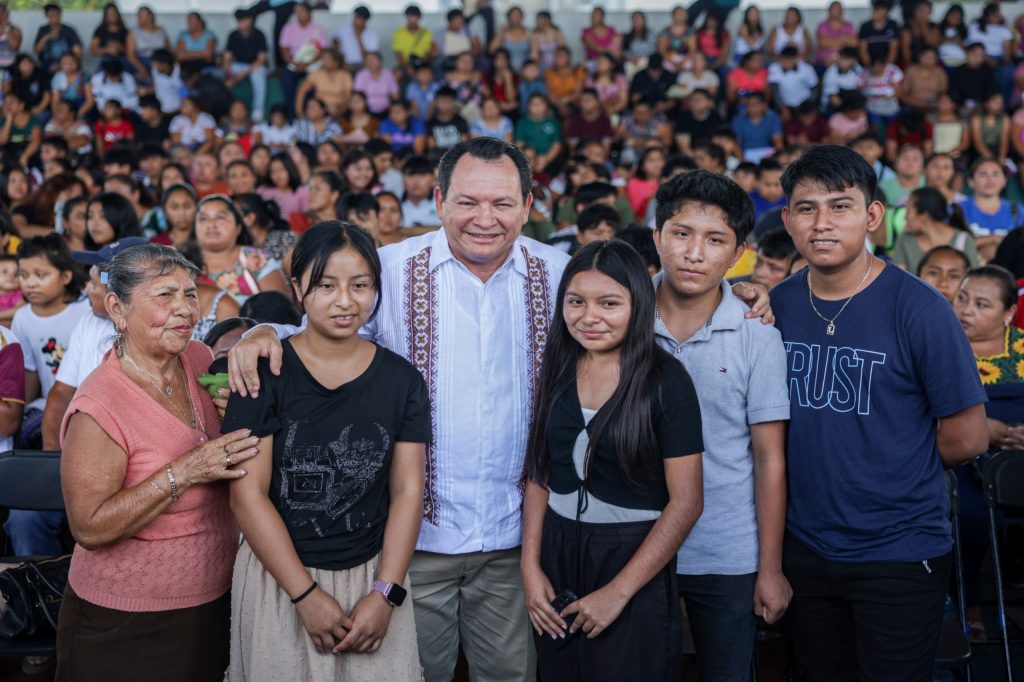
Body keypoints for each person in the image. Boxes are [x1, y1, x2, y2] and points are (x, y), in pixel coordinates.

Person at [771, 145, 988, 681]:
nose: (822, 223)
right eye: (807, 208)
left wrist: (892, 462)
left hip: (898, 549)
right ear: (788, 220)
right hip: (804, 544)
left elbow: (968, 437)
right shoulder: (777, 304)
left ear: (872, 215)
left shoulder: (921, 309)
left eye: (840, 206)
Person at [223, 221, 428, 680]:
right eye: (326, 285)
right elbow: (247, 496)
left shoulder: (402, 381)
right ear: (297, 288)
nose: (345, 301)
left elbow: (408, 491)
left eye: (360, 285)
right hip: (280, 578)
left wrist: (386, 593)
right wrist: (305, 595)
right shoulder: (264, 372)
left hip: (371, 577)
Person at [54, 244, 258, 681]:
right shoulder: (99, 407)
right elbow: (89, 526)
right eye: (165, 295)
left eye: (190, 294)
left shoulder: (198, 358)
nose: (185, 309)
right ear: (117, 308)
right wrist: (186, 469)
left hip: (213, 598)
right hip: (127, 618)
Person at [521, 238, 703, 680]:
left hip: (631, 557)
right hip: (556, 553)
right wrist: (529, 568)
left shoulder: (666, 380)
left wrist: (618, 592)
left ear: (637, 305)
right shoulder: (558, 366)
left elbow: (687, 503)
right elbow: (540, 473)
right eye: (576, 302)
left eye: (609, 303)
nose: (589, 317)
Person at [651, 170, 791, 682]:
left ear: (737, 254)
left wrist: (770, 567)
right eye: (681, 234)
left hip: (727, 549)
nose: (694, 253)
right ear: (657, 237)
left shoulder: (758, 335)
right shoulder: (622, 316)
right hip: (633, 543)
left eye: (715, 240)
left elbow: (769, 460)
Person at [41, 238, 145, 451]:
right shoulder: (89, 320)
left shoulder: (156, 330)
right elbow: (62, 392)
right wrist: (51, 458)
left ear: (116, 292)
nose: (87, 289)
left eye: (94, 283)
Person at [194, 195, 289, 303]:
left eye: (220, 217)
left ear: (238, 228)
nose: (211, 224)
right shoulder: (184, 262)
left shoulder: (258, 260)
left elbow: (280, 308)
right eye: (203, 218)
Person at [891, 187, 980, 272]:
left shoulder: (963, 240)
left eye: (908, 211)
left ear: (925, 216)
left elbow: (973, 279)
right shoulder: (905, 239)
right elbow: (898, 277)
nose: (905, 217)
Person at [959, 157, 1023, 262]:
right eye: (983, 174)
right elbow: (952, 242)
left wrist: (999, 248)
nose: (990, 179)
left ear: (1004, 180)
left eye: (996, 174)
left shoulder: (1018, 211)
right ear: (971, 181)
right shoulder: (958, 209)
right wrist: (994, 239)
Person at [224, 10, 269, 124]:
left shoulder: (259, 34)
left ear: (250, 21)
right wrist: (229, 74)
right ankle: (225, 111)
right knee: (221, 76)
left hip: (255, 67)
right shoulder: (233, 35)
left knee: (258, 75)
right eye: (239, 21)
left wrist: (244, 74)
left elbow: (261, 59)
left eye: (243, 20)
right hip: (239, 66)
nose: (240, 23)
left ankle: (258, 112)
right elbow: (227, 57)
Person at [34, 3, 81, 74]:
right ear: (46, 16)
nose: (54, 18)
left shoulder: (69, 31)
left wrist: (60, 65)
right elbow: (36, 50)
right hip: (46, 65)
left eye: (56, 15)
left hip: (65, 65)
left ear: (60, 15)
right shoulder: (43, 30)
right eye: (51, 16)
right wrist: (46, 37)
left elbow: (78, 52)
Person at [334, 5, 378, 72]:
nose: (355, 20)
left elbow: (369, 57)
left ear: (365, 21)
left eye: (358, 18)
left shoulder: (372, 35)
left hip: (362, 65)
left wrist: (359, 38)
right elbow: (335, 42)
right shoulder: (344, 27)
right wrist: (340, 59)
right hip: (344, 63)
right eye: (355, 16)